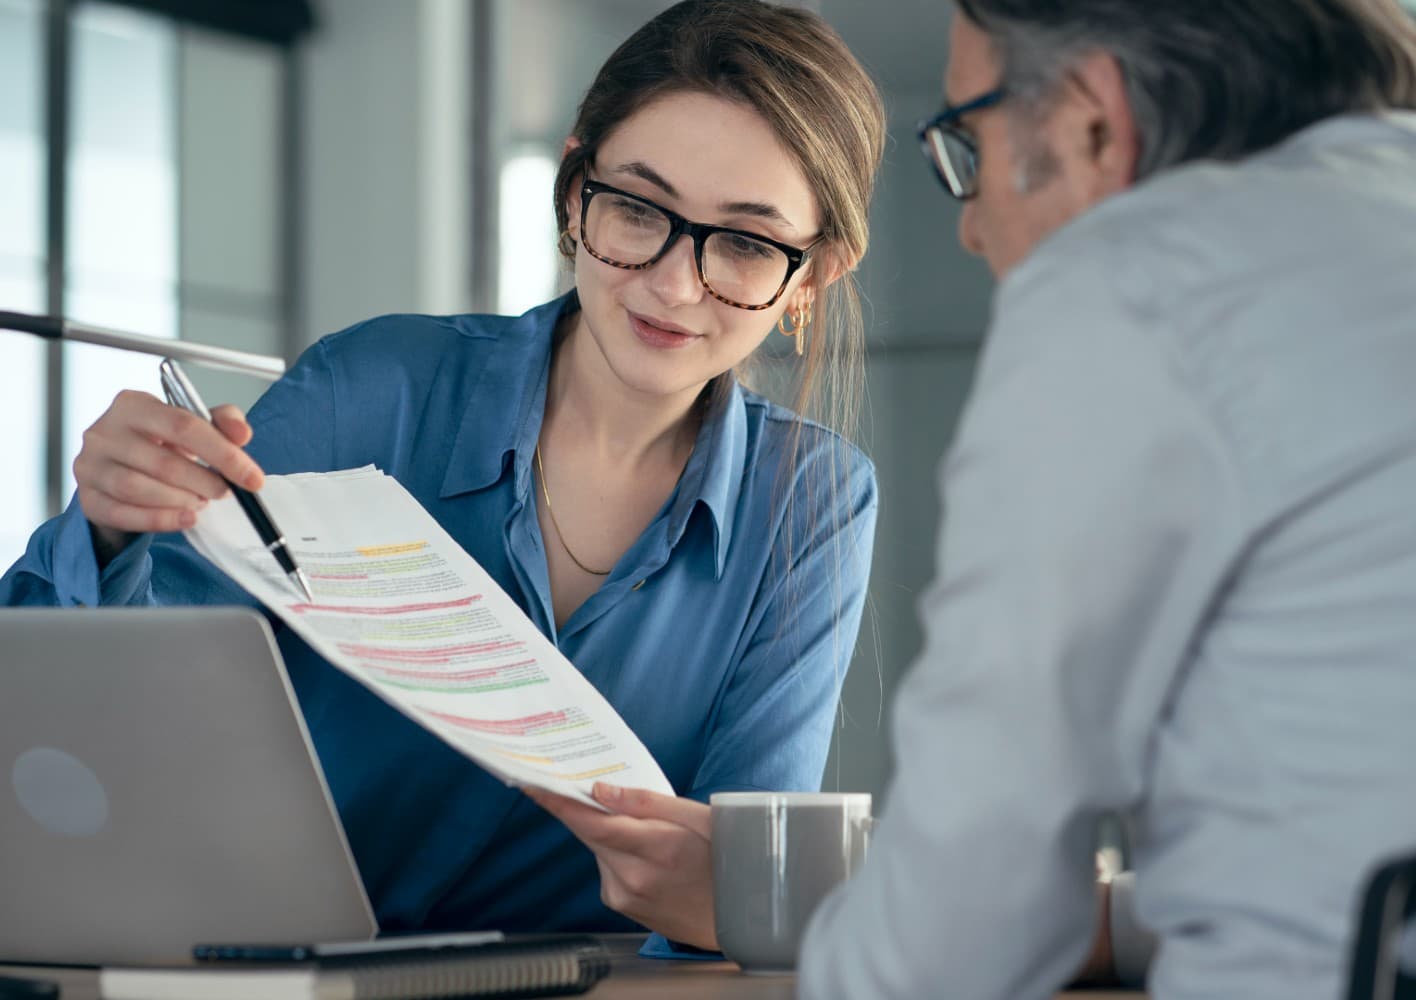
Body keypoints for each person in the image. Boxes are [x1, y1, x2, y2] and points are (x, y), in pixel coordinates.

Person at [1, 0, 885, 954]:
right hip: (260, 974)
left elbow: (749, 882)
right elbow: (74, 711)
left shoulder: (812, 496)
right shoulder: (373, 391)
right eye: (635, 209)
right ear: (572, 189)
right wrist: (108, 529)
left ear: (813, 275)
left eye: (747, 243)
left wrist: (726, 898)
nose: (673, 284)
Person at [796, 1, 1416, 998]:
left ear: (1091, 121)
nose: (969, 220)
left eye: (970, 139)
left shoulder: (1136, 280)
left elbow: (959, 929)